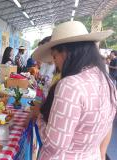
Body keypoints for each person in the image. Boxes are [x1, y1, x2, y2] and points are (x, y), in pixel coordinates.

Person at [34, 21, 116, 160]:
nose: (55, 63)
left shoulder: (70, 85)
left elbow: (53, 146)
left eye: (54, 56)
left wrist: (40, 117)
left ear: (66, 52)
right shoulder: (107, 82)